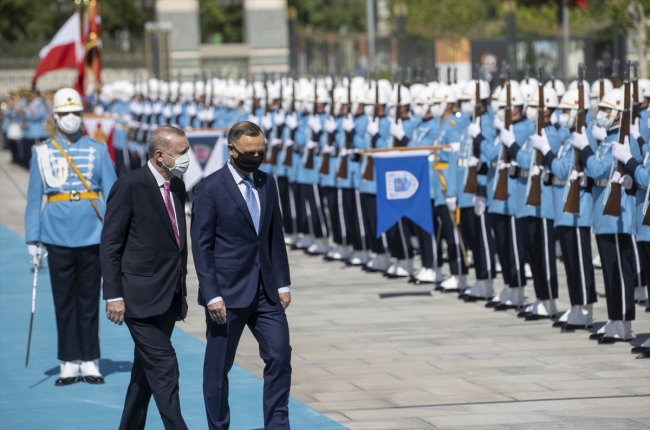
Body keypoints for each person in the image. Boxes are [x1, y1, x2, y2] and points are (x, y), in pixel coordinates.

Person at [192, 121, 292, 430]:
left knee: (279, 357)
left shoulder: (267, 181)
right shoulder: (209, 188)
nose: (257, 156)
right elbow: (201, 246)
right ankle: (218, 426)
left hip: (266, 292)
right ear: (231, 150)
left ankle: (277, 425)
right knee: (219, 368)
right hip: (226, 294)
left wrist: (283, 283)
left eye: (261, 150)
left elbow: (274, 234)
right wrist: (212, 294)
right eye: (250, 152)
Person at [25, 87, 117, 385]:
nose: (71, 119)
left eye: (76, 113)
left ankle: (90, 359)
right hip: (56, 233)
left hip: (92, 232)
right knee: (64, 300)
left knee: (90, 298)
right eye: (65, 114)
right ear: (55, 117)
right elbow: (34, 198)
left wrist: (115, 234)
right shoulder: (42, 152)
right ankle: (68, 360)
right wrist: (32, 239)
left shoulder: (98, 150)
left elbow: (113, 195)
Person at [100, 125, 190, 430]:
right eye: (182, 153)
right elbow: (110, 246)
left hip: (169, 294)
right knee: (165, 367)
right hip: (138, 297)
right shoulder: (129, 187)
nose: (187, 158)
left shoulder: (176, 184)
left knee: (144, 372)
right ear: (161, 155)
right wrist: (114, 296)